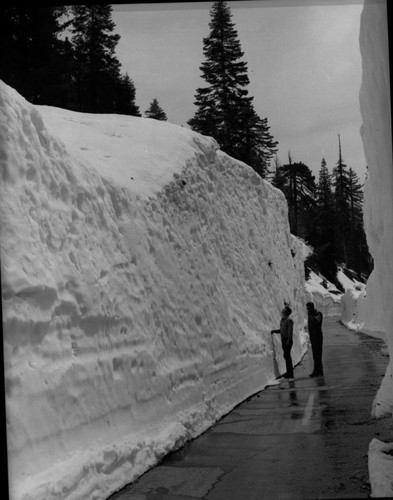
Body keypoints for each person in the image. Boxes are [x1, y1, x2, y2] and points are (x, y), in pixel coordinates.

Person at [271, 306, 294, 380]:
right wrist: (274, 331)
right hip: (284, 340)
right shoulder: (282, 320)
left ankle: (290, 374)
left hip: (287, 340)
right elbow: (281, 330)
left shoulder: (289, 320)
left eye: (284, 310)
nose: (282, 311)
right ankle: (289, 372)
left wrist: (288, 341)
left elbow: (290, 331)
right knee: (286, 356)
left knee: (287, 356)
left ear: (286, 312)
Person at [306, 302, 324, 377]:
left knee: (318, 354)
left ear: (312, 307)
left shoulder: (318, 314)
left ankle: (318, 371)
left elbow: (316, 322)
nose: (308, 310)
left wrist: (310, 316)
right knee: (315, 354)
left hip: (318, 337)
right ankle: (318, 370)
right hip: (313, 337)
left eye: (309, 308)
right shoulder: (312, 315)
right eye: (307, 308)